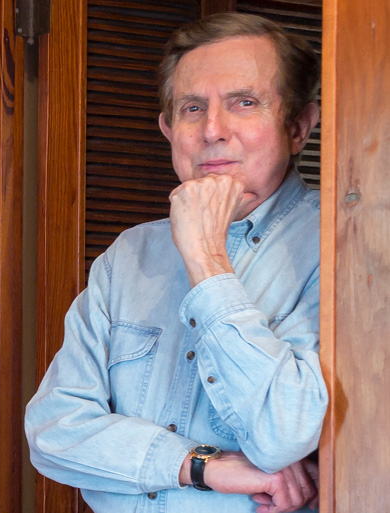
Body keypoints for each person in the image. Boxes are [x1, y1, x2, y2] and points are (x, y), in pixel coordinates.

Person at [25, 13, 328, 513]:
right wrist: (200, 464)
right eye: (192, 108)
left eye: (244, 103)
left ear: (298, 126)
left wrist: (206, 260)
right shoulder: (129, 256)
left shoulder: (340, 251)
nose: (212, 130)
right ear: (169, 129)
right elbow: (52, 431)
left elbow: (283, 433)